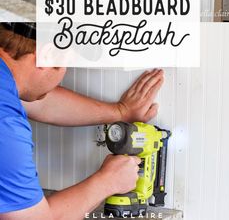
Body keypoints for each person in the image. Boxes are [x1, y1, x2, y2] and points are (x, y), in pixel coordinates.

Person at [0, 22, 164, 220]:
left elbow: (42, 104)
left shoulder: (6, 87)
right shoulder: (6, 125)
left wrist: (121, 112)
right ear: (47, 55)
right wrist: (108, 182)